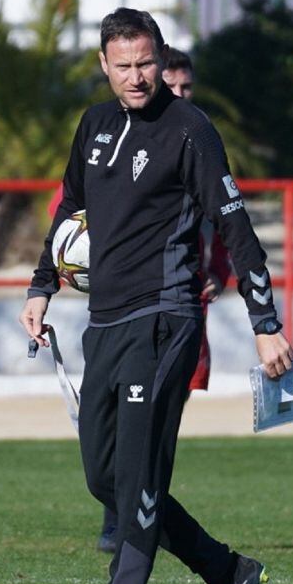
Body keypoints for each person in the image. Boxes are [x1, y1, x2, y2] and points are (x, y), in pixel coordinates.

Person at [19, 8, 293, 584]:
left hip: (166, 320)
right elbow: (70, 213)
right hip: (104, 322)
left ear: (160, 57)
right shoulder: (93, 124)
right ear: (104, 66)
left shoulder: (190, 130)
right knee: (104, 478)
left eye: (146, 63)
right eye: (124, 66)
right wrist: (41, 285)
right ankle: (226, 571)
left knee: (139, 474)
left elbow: (235, 228)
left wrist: (266, 324)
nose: (137, 77)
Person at [91, 45, 231, 553]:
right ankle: (127, 516)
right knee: (130, 440)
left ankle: (135, 520)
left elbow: (224, 218)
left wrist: (220, 272)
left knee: (159, 423)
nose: (179, 93)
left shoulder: (195, 135)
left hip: (180, 308)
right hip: (129, 310)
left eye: (188, 86)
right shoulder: (113, 137)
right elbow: (81, 211)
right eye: (172, 82)